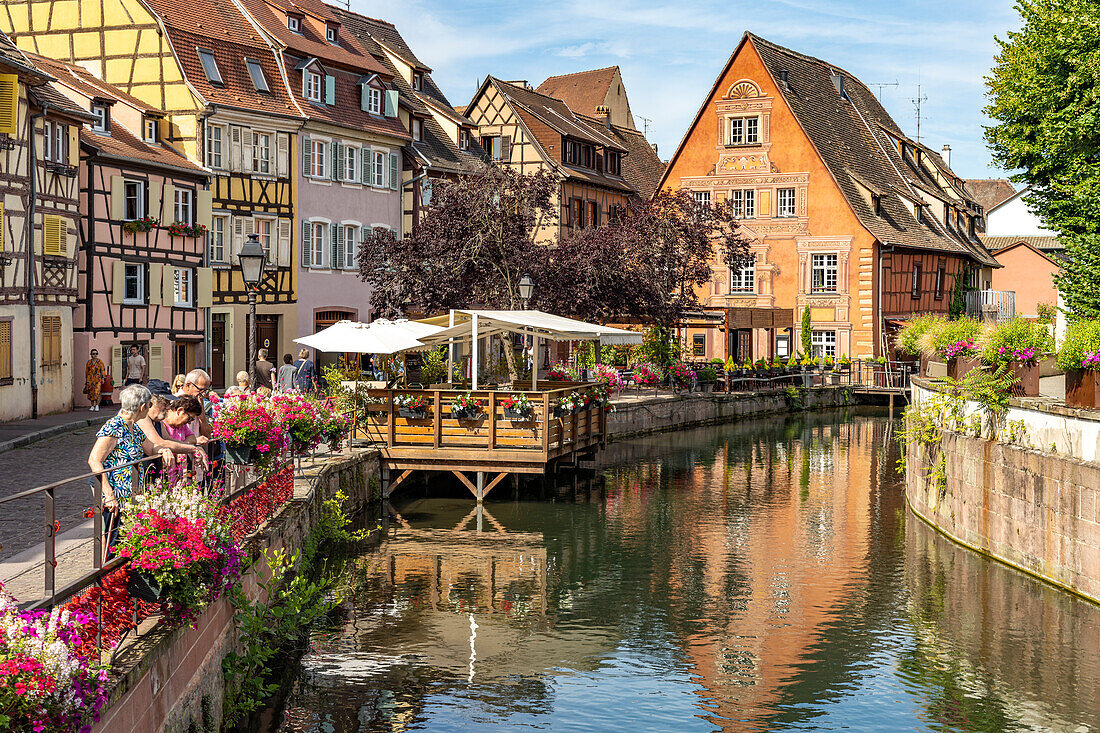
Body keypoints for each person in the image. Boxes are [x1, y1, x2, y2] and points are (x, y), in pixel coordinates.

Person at [87, 385, 173, 555]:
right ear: (142, 407)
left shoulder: (133, 427)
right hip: (115, 495)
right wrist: (109, 495)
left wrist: (163, 450)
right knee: (114, 541)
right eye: (149, 405)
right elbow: (94, 460)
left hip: (130, 495)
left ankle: (119, 577)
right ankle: (108, 579)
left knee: (125, 540)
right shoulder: (114, 426)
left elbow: (150, 448)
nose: (149, 409)